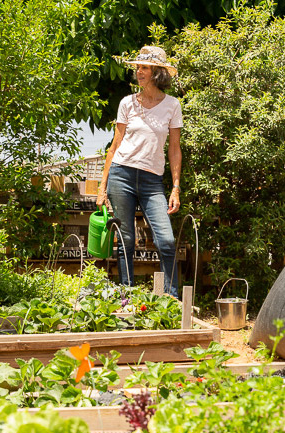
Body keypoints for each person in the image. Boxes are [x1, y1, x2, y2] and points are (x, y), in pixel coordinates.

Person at [96, 45, 183, 297]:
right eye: (138, 67)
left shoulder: (172, 106)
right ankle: (127, 298)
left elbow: (175, 149)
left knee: (166, 241)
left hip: (151, 180)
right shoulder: (127, 103)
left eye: (144, 67)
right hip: (121, 175)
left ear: (157, 72)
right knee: (126, 242)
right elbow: (115, 146)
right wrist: (102, 187)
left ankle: (171, 299)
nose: (139, 72)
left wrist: (175, 187)